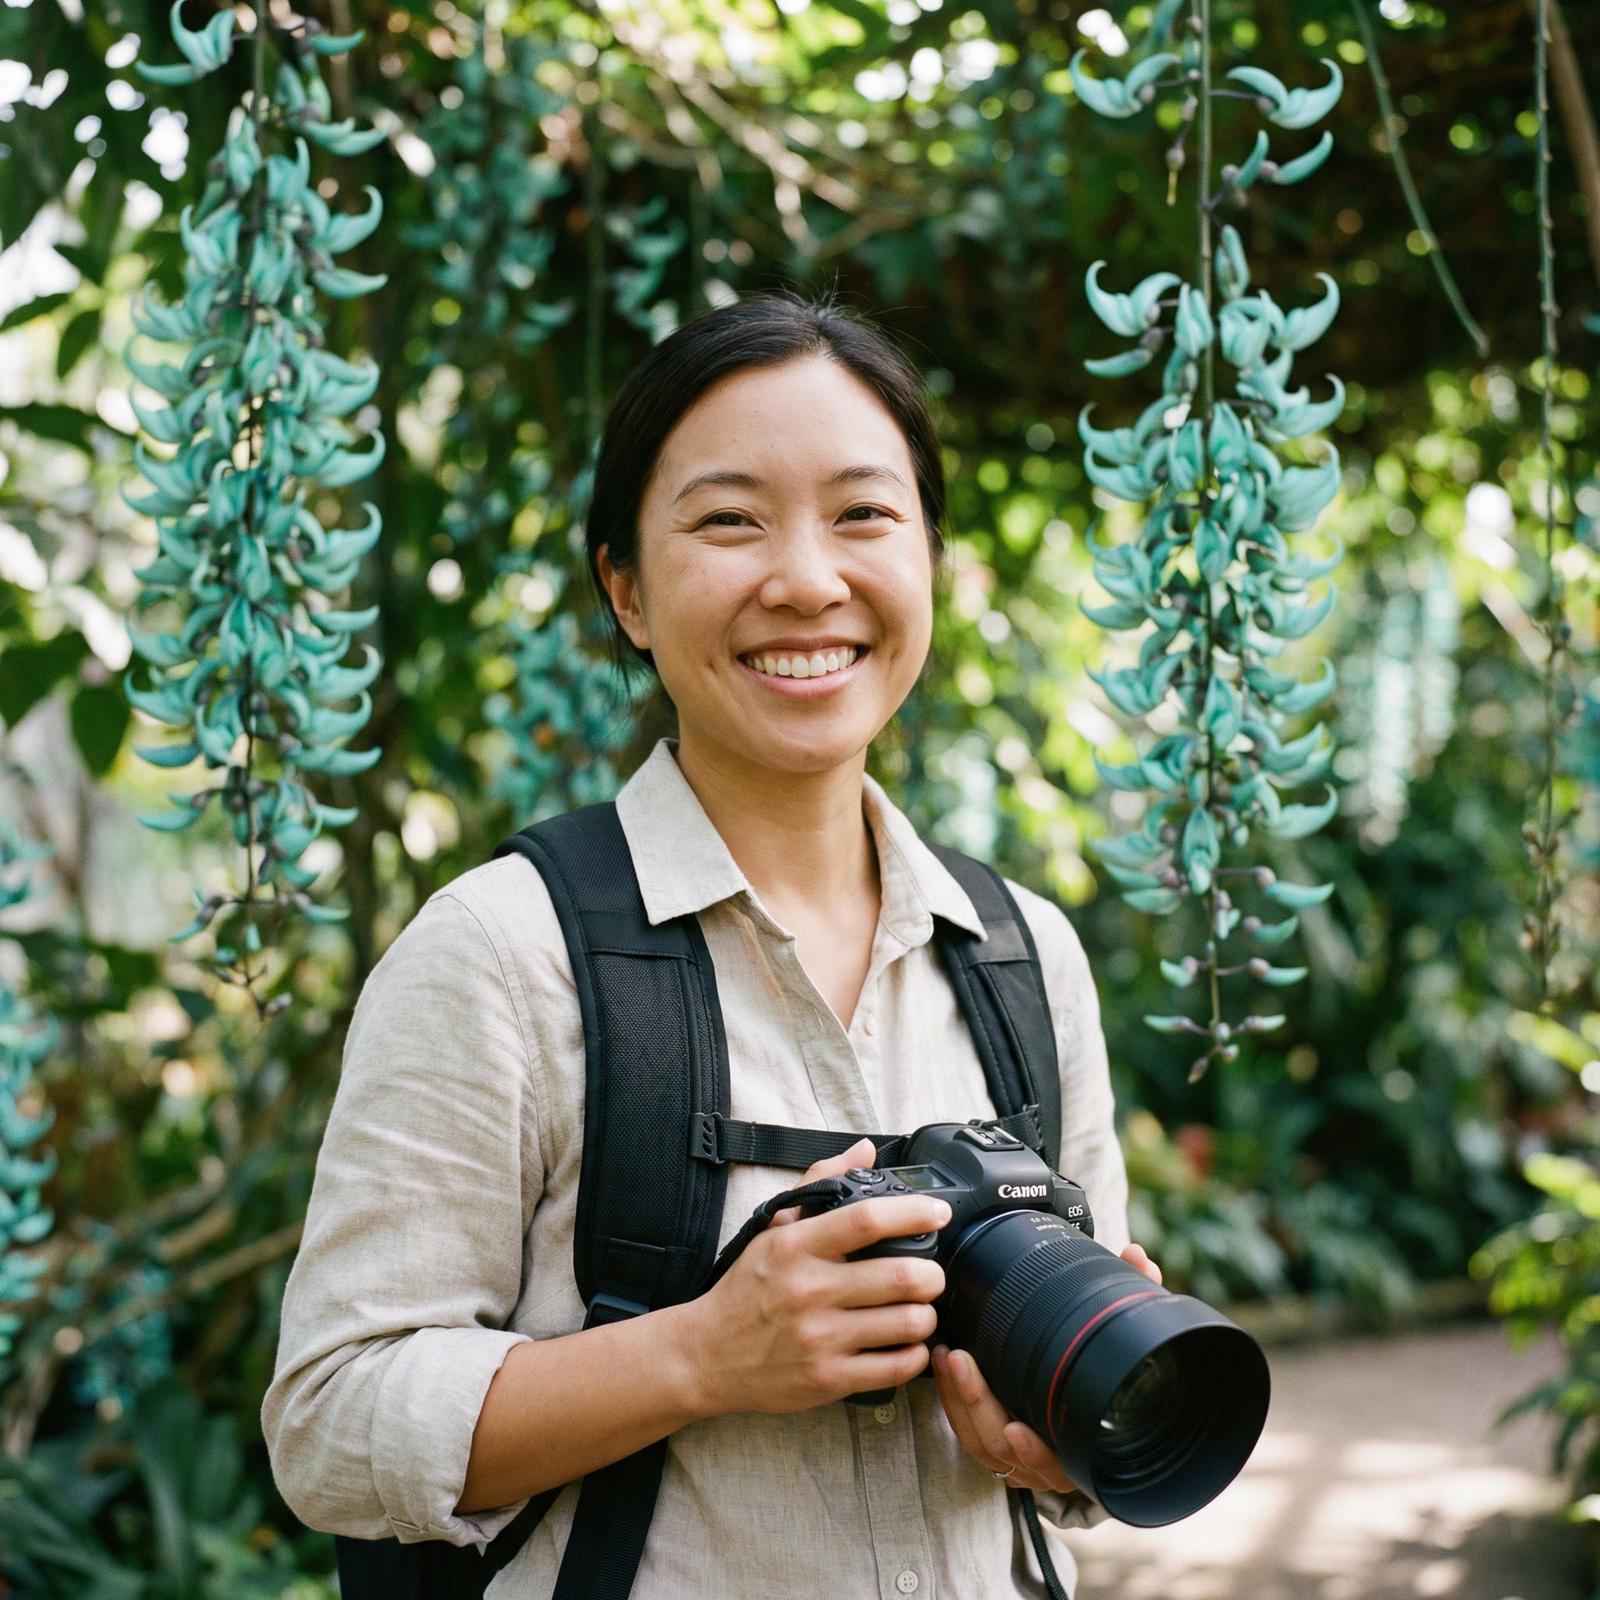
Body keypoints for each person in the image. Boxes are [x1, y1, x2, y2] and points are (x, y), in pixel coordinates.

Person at [261, 285, 1162, 1598]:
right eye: (731, 521)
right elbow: (331, 1424)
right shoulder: (502, 955)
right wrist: (703, 1356)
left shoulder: (1025, 956)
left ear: (930, 562)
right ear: (625, 589)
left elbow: (1084, 1457)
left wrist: (1065, 1434)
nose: (807, 580)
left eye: (864, 515)